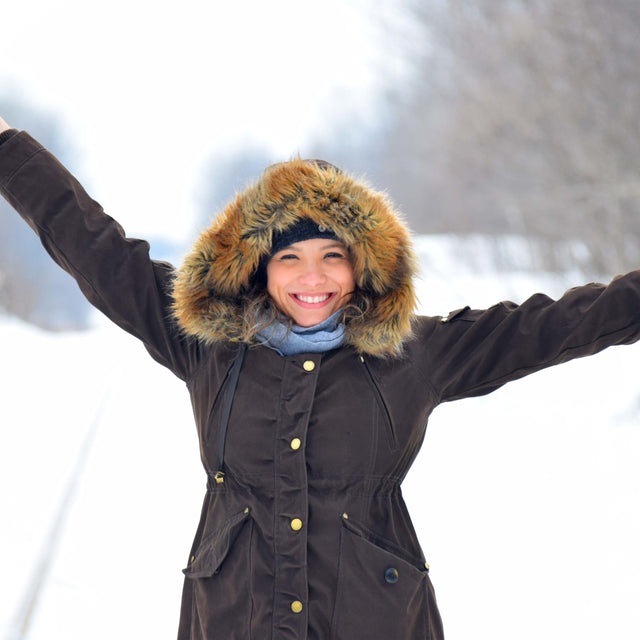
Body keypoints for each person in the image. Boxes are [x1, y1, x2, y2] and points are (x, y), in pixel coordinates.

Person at [1, 115, 639, 640]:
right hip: (232, 620)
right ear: (260, 267)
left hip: (375, 621)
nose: (314, 278)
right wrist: (7, 148)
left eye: (333, 255)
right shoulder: (208, 344)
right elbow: (95, 248)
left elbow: (554, 325)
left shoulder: (416, 353)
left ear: (362, 264)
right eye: (290, 257)